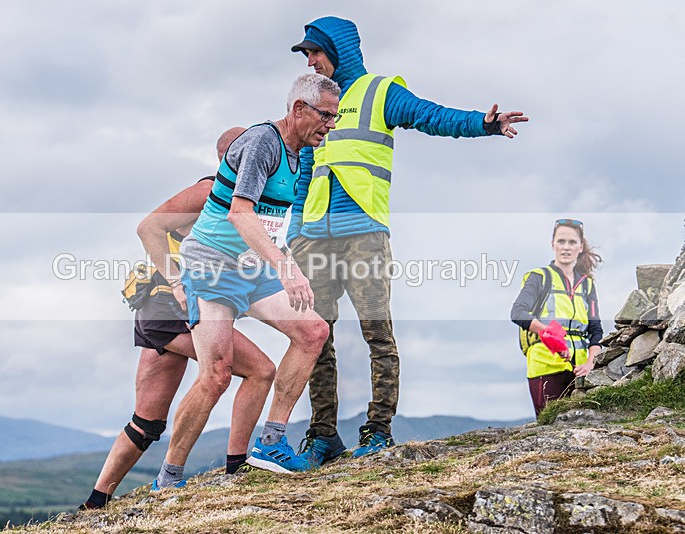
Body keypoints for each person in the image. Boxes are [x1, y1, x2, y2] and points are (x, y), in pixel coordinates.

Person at [287, 16, 530, 466]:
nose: (311, 62)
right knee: (315, 339)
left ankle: (378, 431)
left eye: (315, 52)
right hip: (313, 240)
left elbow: (430, 115)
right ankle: (323, 437)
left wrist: (483, 123)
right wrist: (293, 237)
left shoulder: (381, 92)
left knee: (377, 334)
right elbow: (305, 174)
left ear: (337, 50)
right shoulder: (316, 105)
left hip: (364, 235)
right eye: (307, 55)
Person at [153, 73, 340, 486]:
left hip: (251, 267)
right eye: (326, 115)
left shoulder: (298, 155)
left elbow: (269, 223)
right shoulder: (262, 143)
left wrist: (286, 261)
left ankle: (270, 443)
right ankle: (169, 477)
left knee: (313, 332)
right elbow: (240, 213)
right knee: (216, 376)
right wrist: (286, 270)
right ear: (298, 109)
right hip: (211, 265)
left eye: (335, 117)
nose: (330, 125)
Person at [80, 127, 276, 509]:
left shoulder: (246, 204)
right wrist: (177, 281)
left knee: (147, 423)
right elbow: (148, 228)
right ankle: (234, 468)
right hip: (168, 307)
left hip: (161, 311)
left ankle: (94, 503)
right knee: (258, 370)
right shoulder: (209, 192)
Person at [511, 219, 603, 416]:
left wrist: (590, 363)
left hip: (579, 371)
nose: (566, 247)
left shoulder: (587, 285)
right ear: (553, 244)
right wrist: (550, 336)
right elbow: (518, 312)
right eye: (561, 241)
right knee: (550, 428)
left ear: (580, 247)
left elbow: (596, 331)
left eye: (572, 242)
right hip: (546, 368)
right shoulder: (539, 277)